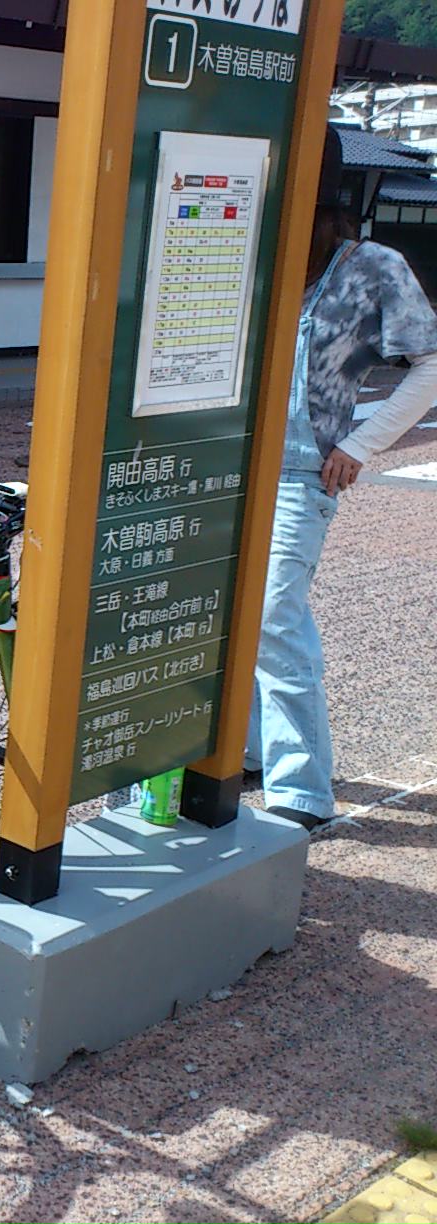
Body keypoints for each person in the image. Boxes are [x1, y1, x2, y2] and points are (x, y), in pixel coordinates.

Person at [248, 124, 437, 834]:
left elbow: (429, 360)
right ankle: (248, 752)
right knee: (235, 612)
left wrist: (362, 444)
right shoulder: (256, 255)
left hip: (302, 471)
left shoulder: (373, 267)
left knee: (274, 615)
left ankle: (301, 790)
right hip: (229, 464)